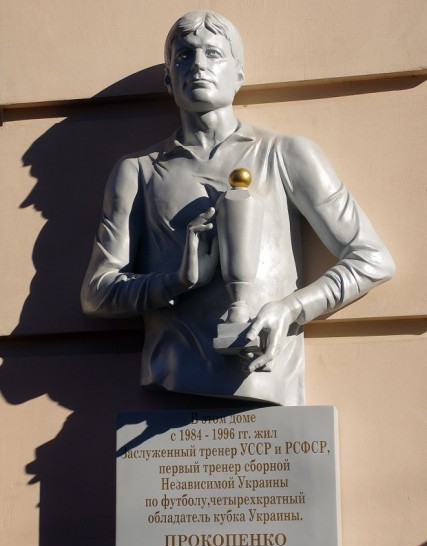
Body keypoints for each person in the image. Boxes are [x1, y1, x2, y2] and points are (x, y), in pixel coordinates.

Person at [81, 10, 395, 405]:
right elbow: (96, 294)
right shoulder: (138, 171)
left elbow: (372, 259)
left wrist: (291, 308)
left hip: (266, 374)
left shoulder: (286, 154)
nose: (198, 65)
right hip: (174, 372)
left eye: (213, 53)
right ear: (168, 79)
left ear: (239, 74)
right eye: (184, 55)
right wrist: (176, 282)